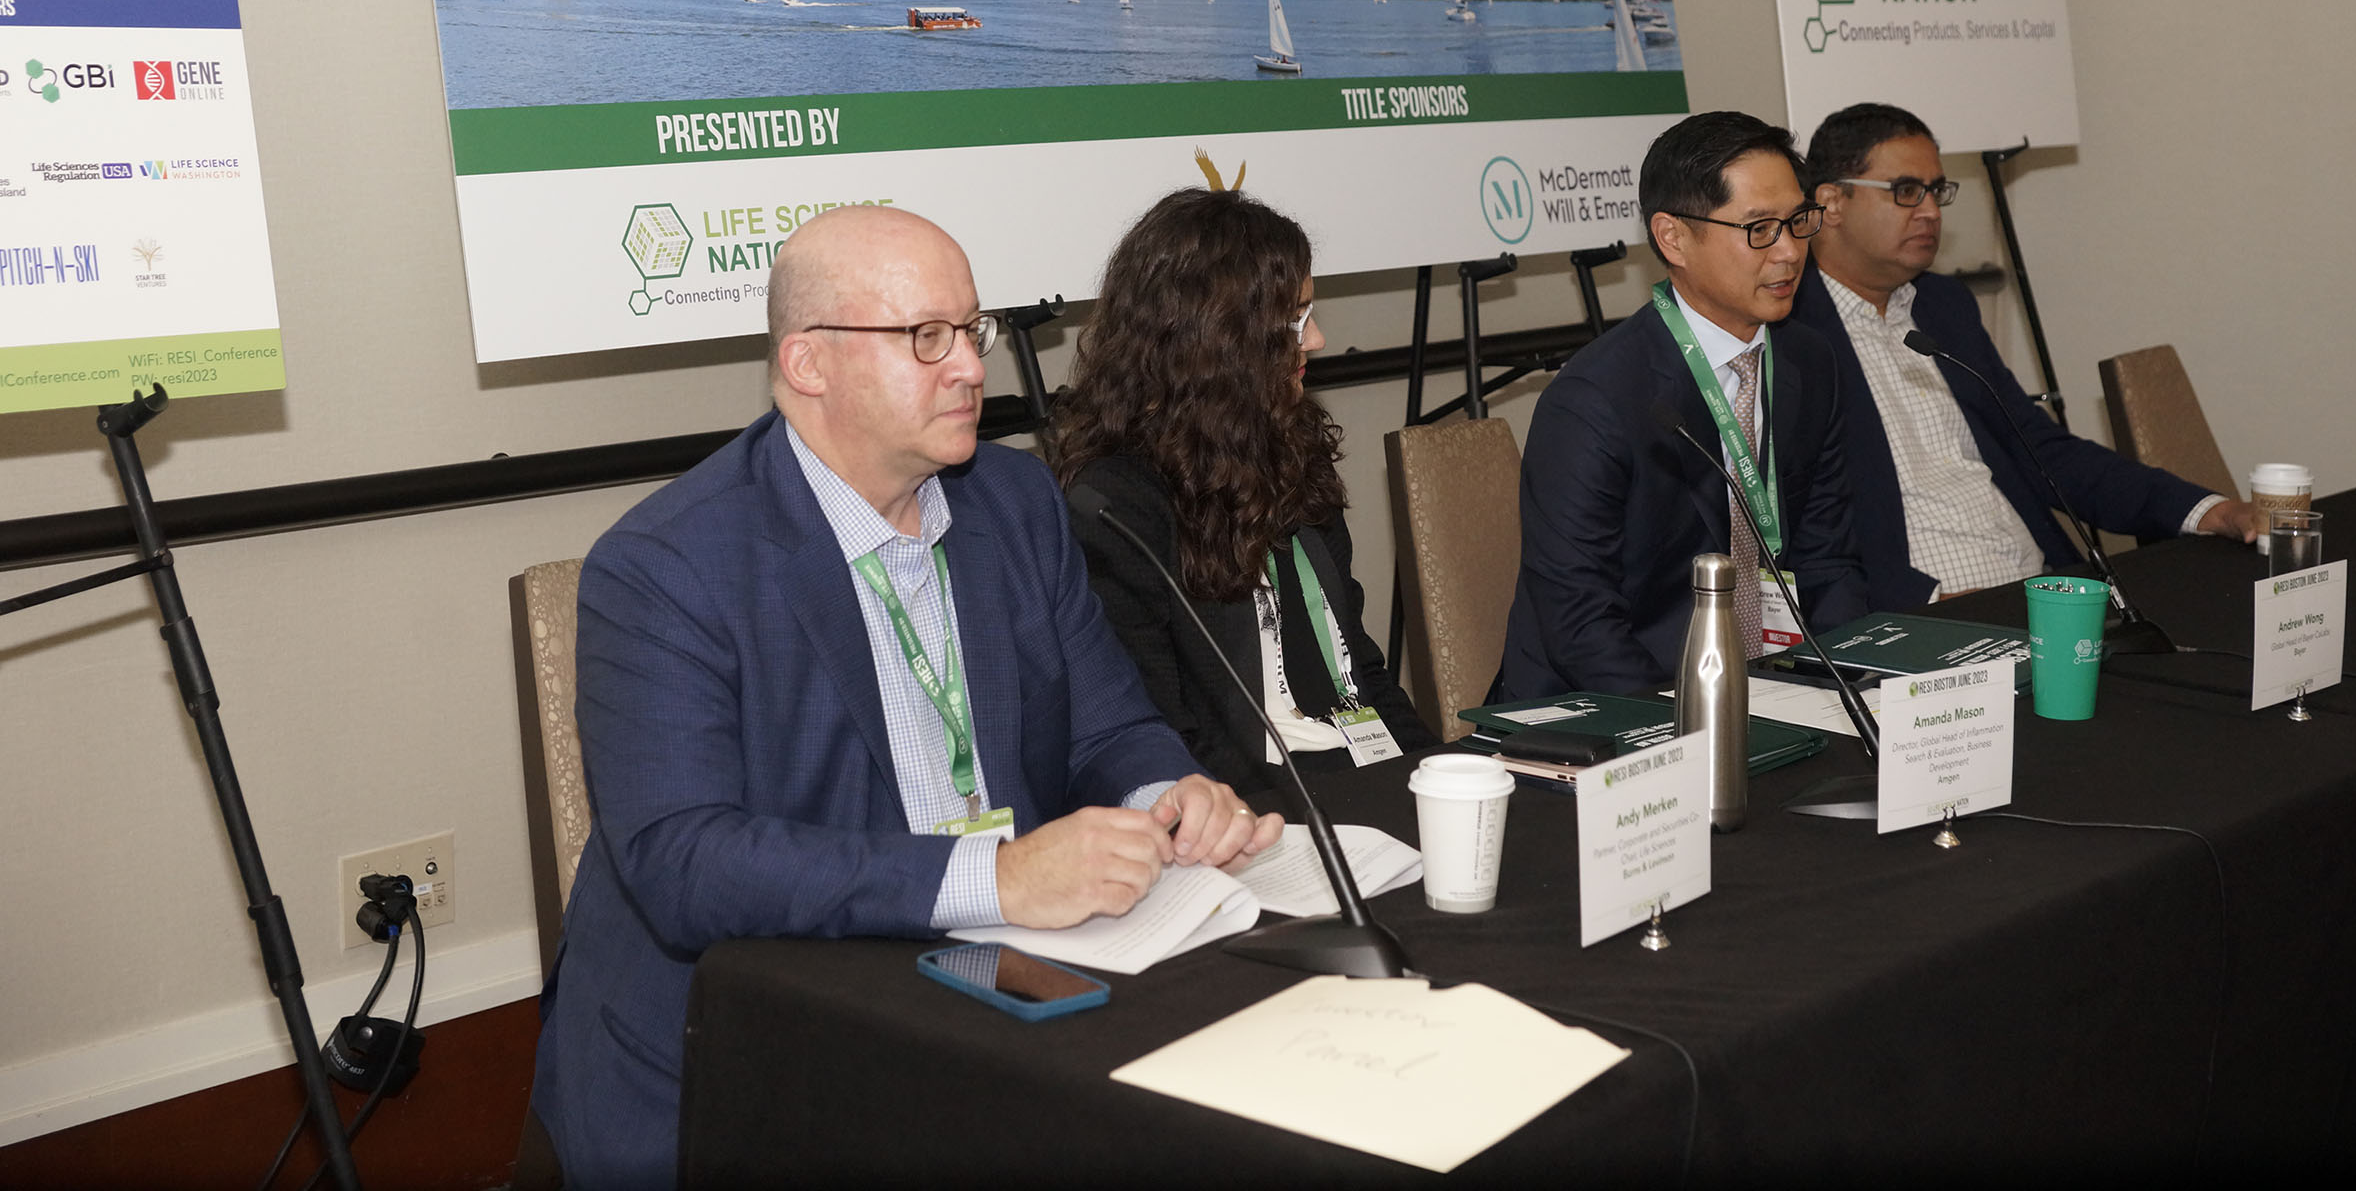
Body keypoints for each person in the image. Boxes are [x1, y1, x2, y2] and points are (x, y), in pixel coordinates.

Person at [532, 206, 1282, 1189]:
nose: (970, 366)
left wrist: (1168, 793)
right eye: (926, 337)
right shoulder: (666, 567)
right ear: (809, 363)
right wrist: (997, 878)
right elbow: (686, 865)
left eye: (971, 330)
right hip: (741, 1045)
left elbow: (1110, 725)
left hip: (988, 985)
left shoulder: (1017, 503)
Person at [1792, 102, 2259, 604]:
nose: (1930, 211)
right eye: (1906, 191)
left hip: (2040, 587)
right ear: (1831, 203)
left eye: (1936, 191)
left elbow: (2042, 450)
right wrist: (1921, 606)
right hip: (1923, 611)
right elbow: (1801, 529)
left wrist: (2209, 510)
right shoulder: (1789, 332)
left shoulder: (1943, 307)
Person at [1051, 189, 1435, 788]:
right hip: (1258, 805)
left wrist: (1438, 770)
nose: (1316, 339)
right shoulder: (1118, 509)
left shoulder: (1295, 452)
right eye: (1295, 319)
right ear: (1217, 337)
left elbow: (1362, 672)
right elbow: (1161, 738)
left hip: (1363, 773)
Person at [1498, 111, 1870, 698]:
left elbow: (1829, 561)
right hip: (1620, 700)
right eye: (1759, 228)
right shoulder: (1594, 400)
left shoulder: (1808, 360)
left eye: (1798, 221)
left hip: (1777, 687)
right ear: (1673, 237)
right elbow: (1580, 624)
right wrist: (1701, 729)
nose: (1790, 251)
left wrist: (1844, 687)